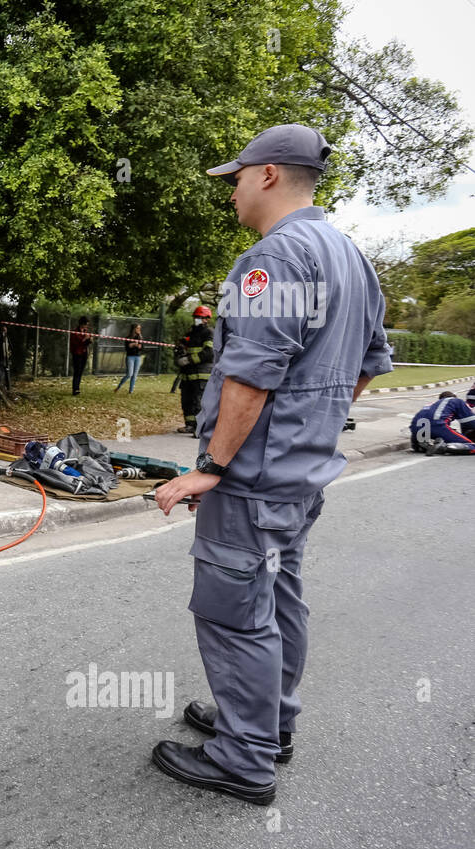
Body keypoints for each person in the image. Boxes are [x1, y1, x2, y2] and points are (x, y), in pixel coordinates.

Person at [153, 123, 393, 805]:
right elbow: (369, 366)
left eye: (235, 179)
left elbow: (251, 377)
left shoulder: (274, 258)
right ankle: (268, 724)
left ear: (266, 175)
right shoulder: (349, 255)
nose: (230, 192)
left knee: (234, 612)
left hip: (255, 478)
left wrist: (212, 465)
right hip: (301, 472)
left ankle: (245, 757)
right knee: (277, 594)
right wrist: (311, 428)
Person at [175, 306, 214, 432]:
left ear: (206, 319)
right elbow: (184, 347)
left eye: (200, 317)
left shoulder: (209, 333)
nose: (197, 319)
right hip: (188, 374)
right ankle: (190, 425)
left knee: (198, 401)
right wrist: (179, 350)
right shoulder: (191, 333)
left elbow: (209, 353)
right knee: (186, 401)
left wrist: (188, 360)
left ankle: (200, 428)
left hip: (201, 374)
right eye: (196, 317)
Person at [409, 391, 475, 453]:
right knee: (471, 445)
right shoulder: (456, 401)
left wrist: (415, 444)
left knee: (443, 430)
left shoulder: (431, 405)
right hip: (437, 425)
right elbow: (470, 422)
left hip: (415, 427)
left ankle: (421, 446)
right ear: (454, 397)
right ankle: (445, 447)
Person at [114, 323, 144, 393]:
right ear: (134, 329)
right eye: (137, 328)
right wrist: (133, 344)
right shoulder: (128, 337)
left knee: (135, 375)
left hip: (138, 357)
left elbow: (141, 348)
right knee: (129, 374)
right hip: (130, 357)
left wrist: (138, 345)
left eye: (140, 328)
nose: (139, 330)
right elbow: (127, 347)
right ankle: (118, 387)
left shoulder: (140, 337)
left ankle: (131, 391)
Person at [69, 318, 91, 395]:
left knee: (81, 371)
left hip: (84, 353)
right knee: (77, 371)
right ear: (82, 324)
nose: (87, 326)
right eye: (86, 324)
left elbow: (87, 342)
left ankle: (77, 387)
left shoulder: (85, 332)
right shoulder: (75, 332)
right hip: (77, 353)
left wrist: (89, 339)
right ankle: (75, 389)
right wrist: (85, 338)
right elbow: (77, 343)